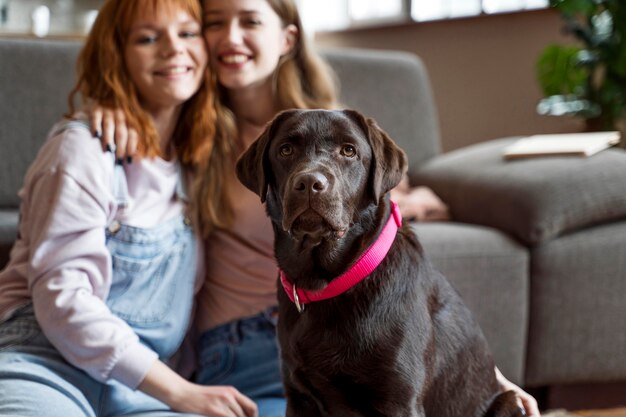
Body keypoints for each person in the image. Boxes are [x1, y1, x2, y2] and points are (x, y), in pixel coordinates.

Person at [90, 0, 539, 416]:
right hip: (245, 346)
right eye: (214, 23)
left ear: (286, 37)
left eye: (249, 20)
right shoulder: (186, 130)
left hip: (327, 326)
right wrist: (112, 110)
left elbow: (417, 300)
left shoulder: (333, 128)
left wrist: (488, 383)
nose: (230, 36)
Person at [0, 0, 257, 416]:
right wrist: (180, 392)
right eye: (148, 38)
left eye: (187, 33)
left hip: (140, 392)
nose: (173, 48)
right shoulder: (82, 149)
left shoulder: (198, 165)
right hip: (44, 362)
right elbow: (63, 301)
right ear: (116, 56)